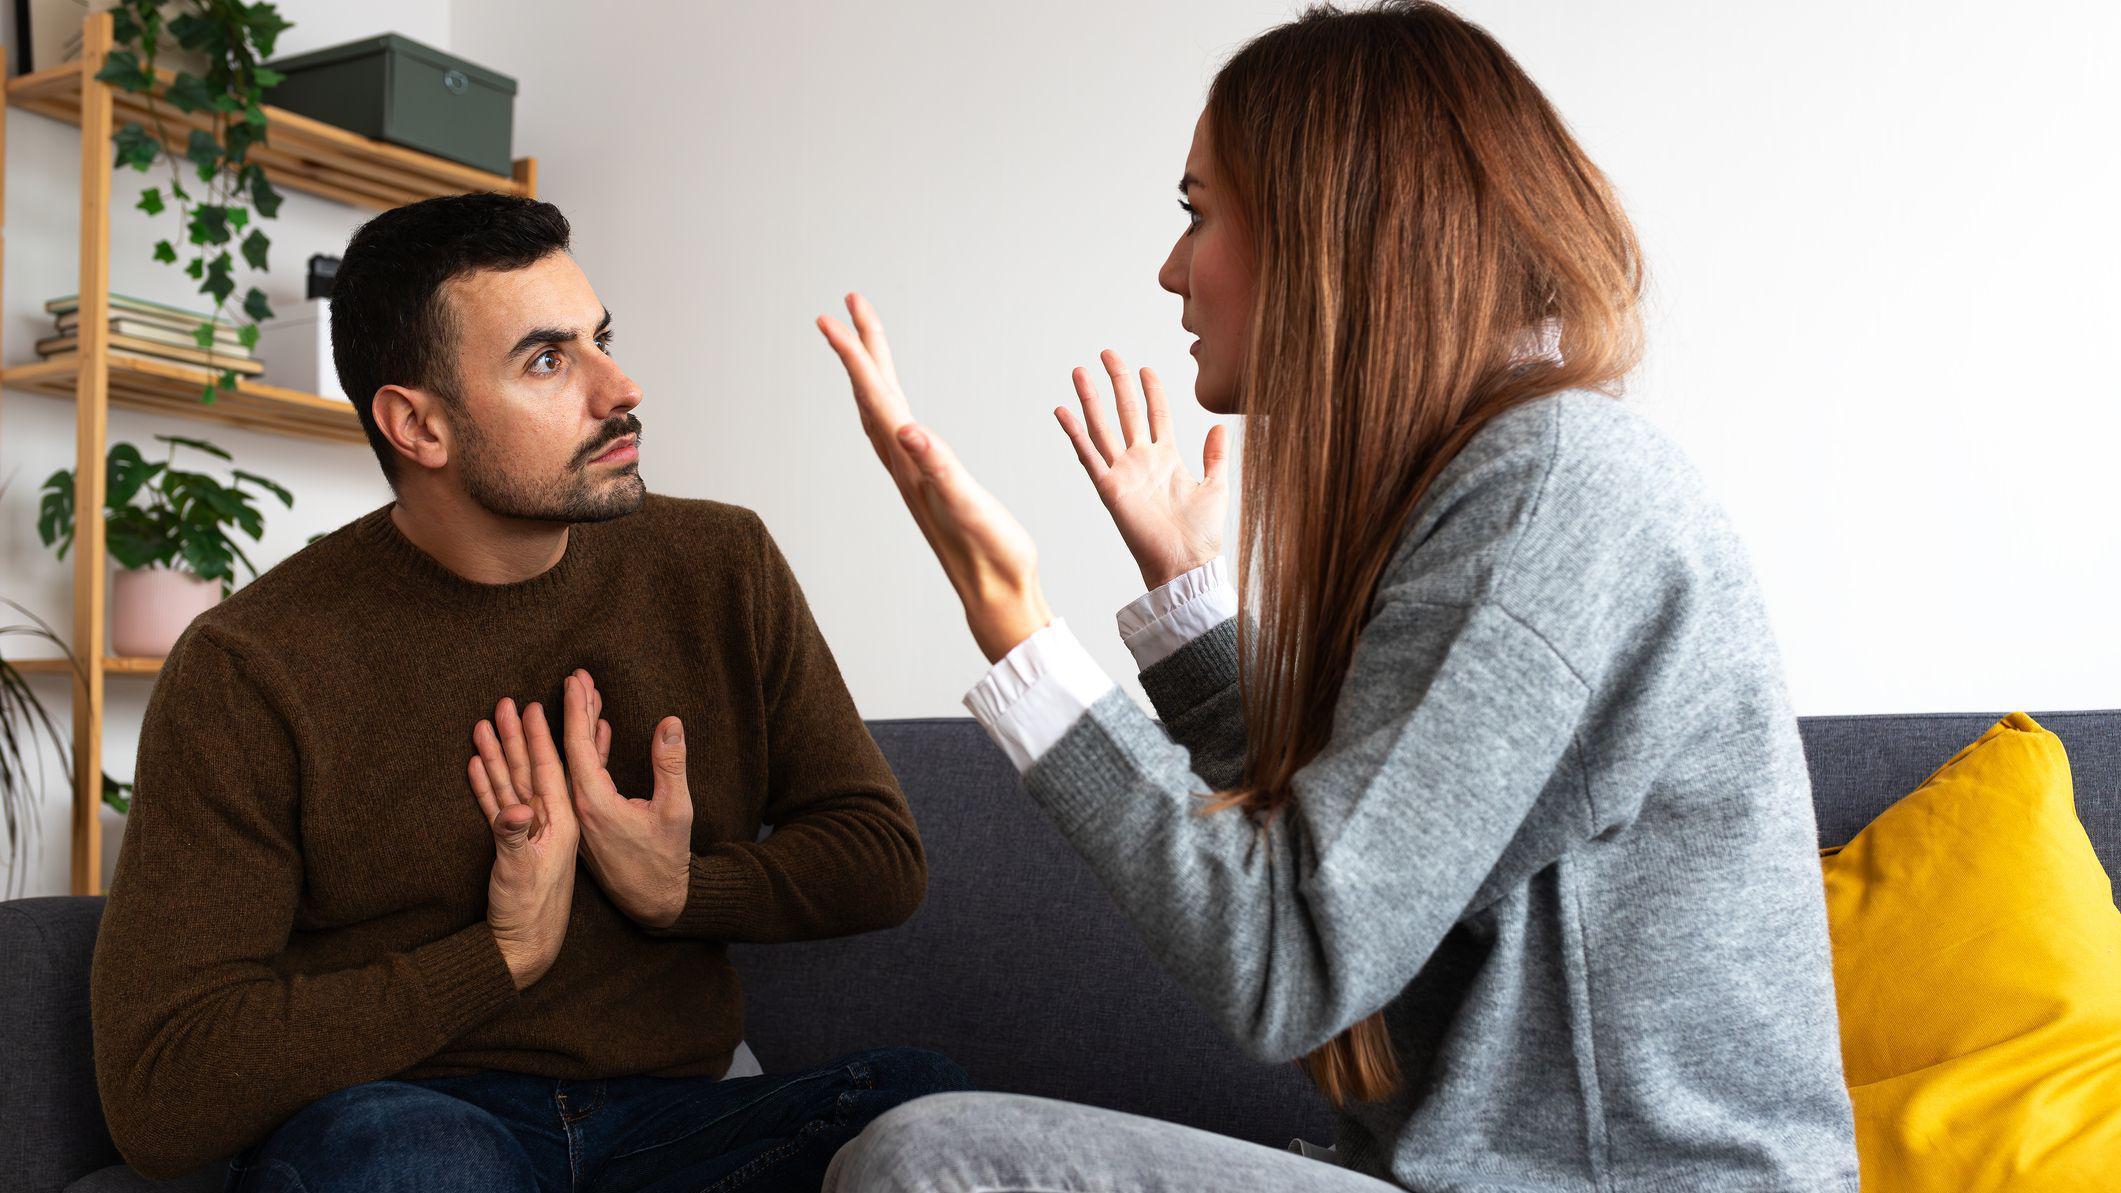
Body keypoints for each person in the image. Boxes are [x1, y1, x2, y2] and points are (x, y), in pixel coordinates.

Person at [814, 3, 1857, 1190]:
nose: (1171, 269)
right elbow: (1374, 840)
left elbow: (1292, 949)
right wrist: (1187, 605)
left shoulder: (1551, 496)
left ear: (1332, 231)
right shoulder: (1511, 477)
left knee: (931, 1159)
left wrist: (1013, 625)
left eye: (1195, 212)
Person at [89, 193, 970, 1193]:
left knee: (930, 1110)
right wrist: (499, 955)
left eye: (600, 339)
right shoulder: (252, 663)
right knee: (405, 1162)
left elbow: (880, 856)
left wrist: (683, 887)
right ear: (417, 423)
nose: (621, 387)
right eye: (549, 360)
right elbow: (160, 1085)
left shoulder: (722, 562)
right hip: (420, 1114)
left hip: (687, 1115)